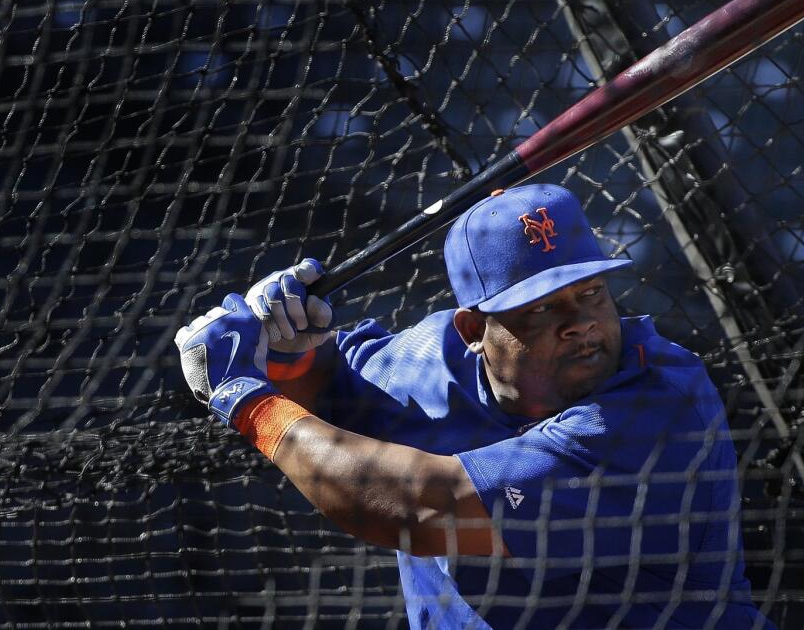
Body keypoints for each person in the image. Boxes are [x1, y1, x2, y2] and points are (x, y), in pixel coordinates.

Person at [175, 184, 769, 628]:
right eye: (540, 308)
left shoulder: (661, 402)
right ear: (472, 329)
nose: (581, 323)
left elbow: (417, 508)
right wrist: (288, 346)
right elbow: (326, 390)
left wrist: (243, 398)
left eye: (592, 292)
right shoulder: (425, 362)